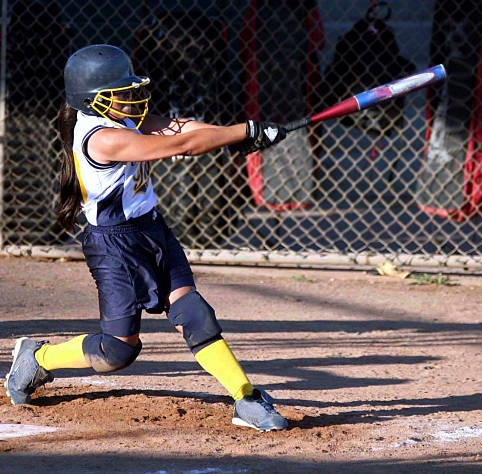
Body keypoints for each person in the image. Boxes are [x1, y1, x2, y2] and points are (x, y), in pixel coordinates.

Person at [4, 44, 288, 432]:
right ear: (92, 101)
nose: (131, 99)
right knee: (119, 350)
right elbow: (178, 145)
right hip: (114, 246)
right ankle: (39, 358)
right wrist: (240, 133)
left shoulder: (124, 122)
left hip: (152, 229)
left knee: (193, 313)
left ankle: (246, 397)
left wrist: (238, 135)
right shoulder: (102, 137)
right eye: (119, 94)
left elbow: (180, 127)